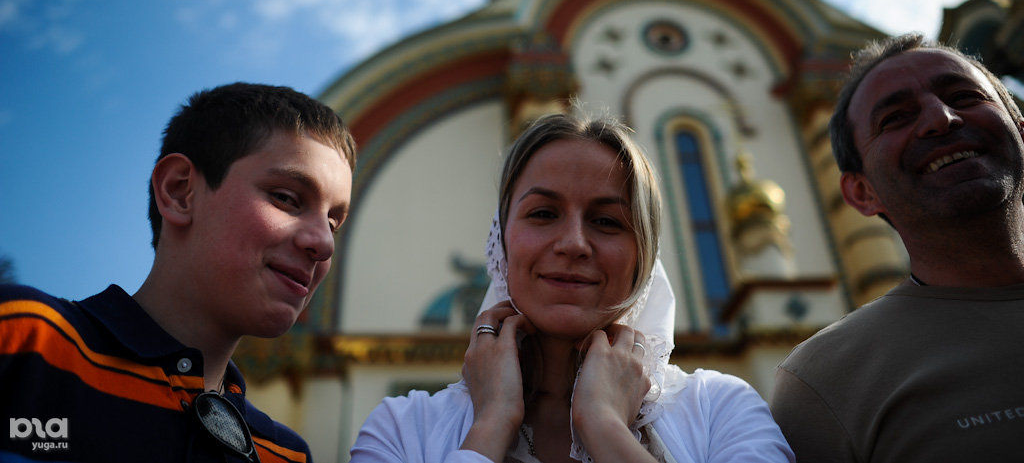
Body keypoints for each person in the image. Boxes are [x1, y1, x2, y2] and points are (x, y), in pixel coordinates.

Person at [351, 113, 793, 463]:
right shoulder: (403, 428)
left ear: (644, 255)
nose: (573, 244)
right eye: (543, 213)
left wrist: (605, 427)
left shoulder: (720, 410)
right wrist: (492, 423)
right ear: (502, 240)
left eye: (607, 221)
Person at [0, 83, 356, 462]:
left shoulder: (284, 455)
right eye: (286, 198)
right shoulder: (24, 340)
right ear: (179, 191)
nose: (324, 243)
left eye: (333, 223)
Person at [770, 33, 1024, 462]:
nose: (941, 119)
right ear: (862, 192)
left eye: (964, 96)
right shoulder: (829, 380)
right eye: (895, 118)